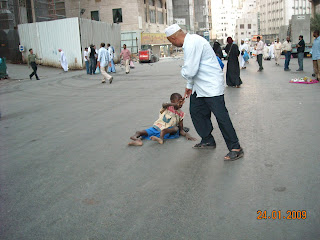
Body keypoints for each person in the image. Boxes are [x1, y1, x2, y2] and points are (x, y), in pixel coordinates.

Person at [165, 24, 243, 161]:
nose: (173, 44)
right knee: (196, 112)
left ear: (173, 38)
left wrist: (183, 71)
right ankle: (208, 139)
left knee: (221, 116)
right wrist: (189, 85)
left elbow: (189, 71)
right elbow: (194, 69)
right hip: (199, 86)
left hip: (211, 85)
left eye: (171, 41)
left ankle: (235, 147)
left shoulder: (192, 43)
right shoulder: (190, 42)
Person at [128, 93, 196, 146]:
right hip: (157, 127)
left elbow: (181, 130)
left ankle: (161, 139)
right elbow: (164, 104)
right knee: (139, 132)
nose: (180, 104)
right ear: (172, 101)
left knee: (176, 128)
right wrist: (174, 104)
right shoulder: (167, 107)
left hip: (167, 130)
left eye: (181, 102)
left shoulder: (181, 114)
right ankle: (137, 140)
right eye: (178, 102)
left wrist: (187, 135)